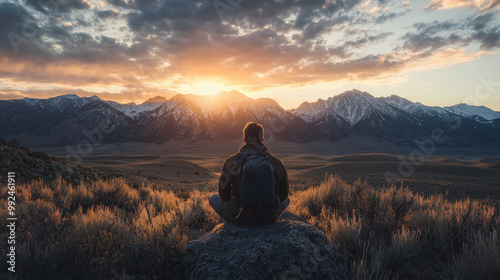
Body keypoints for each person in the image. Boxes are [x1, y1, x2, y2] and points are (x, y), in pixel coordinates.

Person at [209, 122, 290, 225]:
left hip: (240, 218)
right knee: (287, 200)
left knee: (213, 198)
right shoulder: (276, 162)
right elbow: (283, 196)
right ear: (262, 139)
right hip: (269, 217)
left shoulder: (231, 162)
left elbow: (224, 196)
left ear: (244, 139)